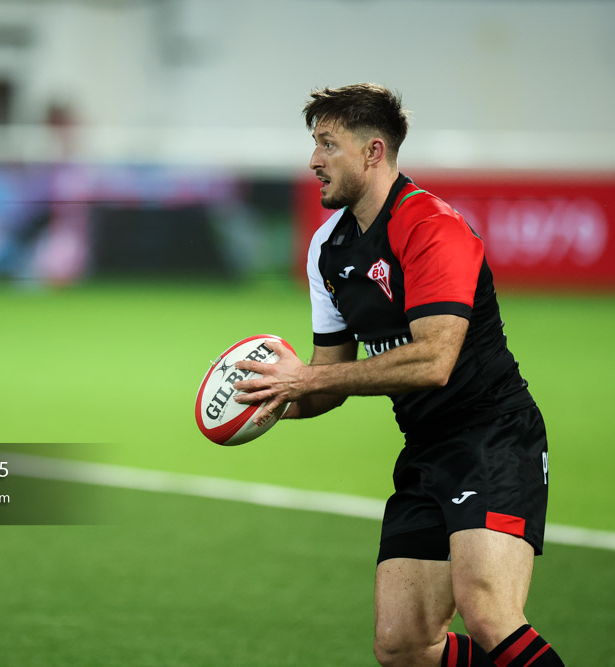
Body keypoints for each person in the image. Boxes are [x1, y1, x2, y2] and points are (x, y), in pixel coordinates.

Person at [233, 83, 565, 667]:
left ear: (373, 151)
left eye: (327, 144)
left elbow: (434, 360)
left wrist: (305, 382)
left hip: (492, 436)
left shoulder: (432, 226)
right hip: (426, 451)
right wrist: (270, 396)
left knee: (488, 613)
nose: (313, 161)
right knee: (403, 644)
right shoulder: (326, 250)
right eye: (313, 143)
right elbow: (327, 378)